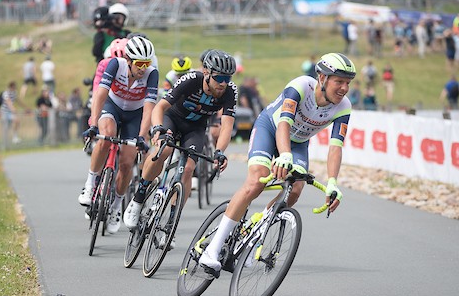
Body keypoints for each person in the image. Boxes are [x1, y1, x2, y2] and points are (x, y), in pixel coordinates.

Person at [197, 52, 355, 275]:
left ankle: (254, 236)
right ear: (322, 78)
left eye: (347, 83)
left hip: (298, 142)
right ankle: (212, 250)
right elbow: (283, 123)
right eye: (339, 81)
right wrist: (284, 155)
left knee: (295, 189)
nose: (344, 88)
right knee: (256, 182)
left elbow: (335, 147)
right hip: (270, 129)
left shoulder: (344, 107)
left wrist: (332, 182)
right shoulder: (301, 86)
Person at [123, 49, 238, 233]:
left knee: (189, 169)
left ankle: (170, 223)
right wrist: (158, 129)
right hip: (172, 119)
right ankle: (138, 197)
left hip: (196, 128)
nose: (223, 84)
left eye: (228, 79)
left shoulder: (230, 91)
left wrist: (220, 152)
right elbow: (160, 107)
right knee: (165, 150)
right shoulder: (191, 80)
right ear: (207, 73)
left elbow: (226, 126)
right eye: (219, 78)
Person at [79, 36, 158, 234]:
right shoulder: (116, 64)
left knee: (126, 163)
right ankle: (90, 185)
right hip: (112, 106)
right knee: (106, 136)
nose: (143, 68)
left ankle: (116, 206)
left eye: (146, 63)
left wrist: (142, 137)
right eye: (139, 64)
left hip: (135, 114)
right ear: (129, 60)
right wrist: (93, 123)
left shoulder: (151, 74)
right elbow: (100, 94)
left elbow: (149, 109)